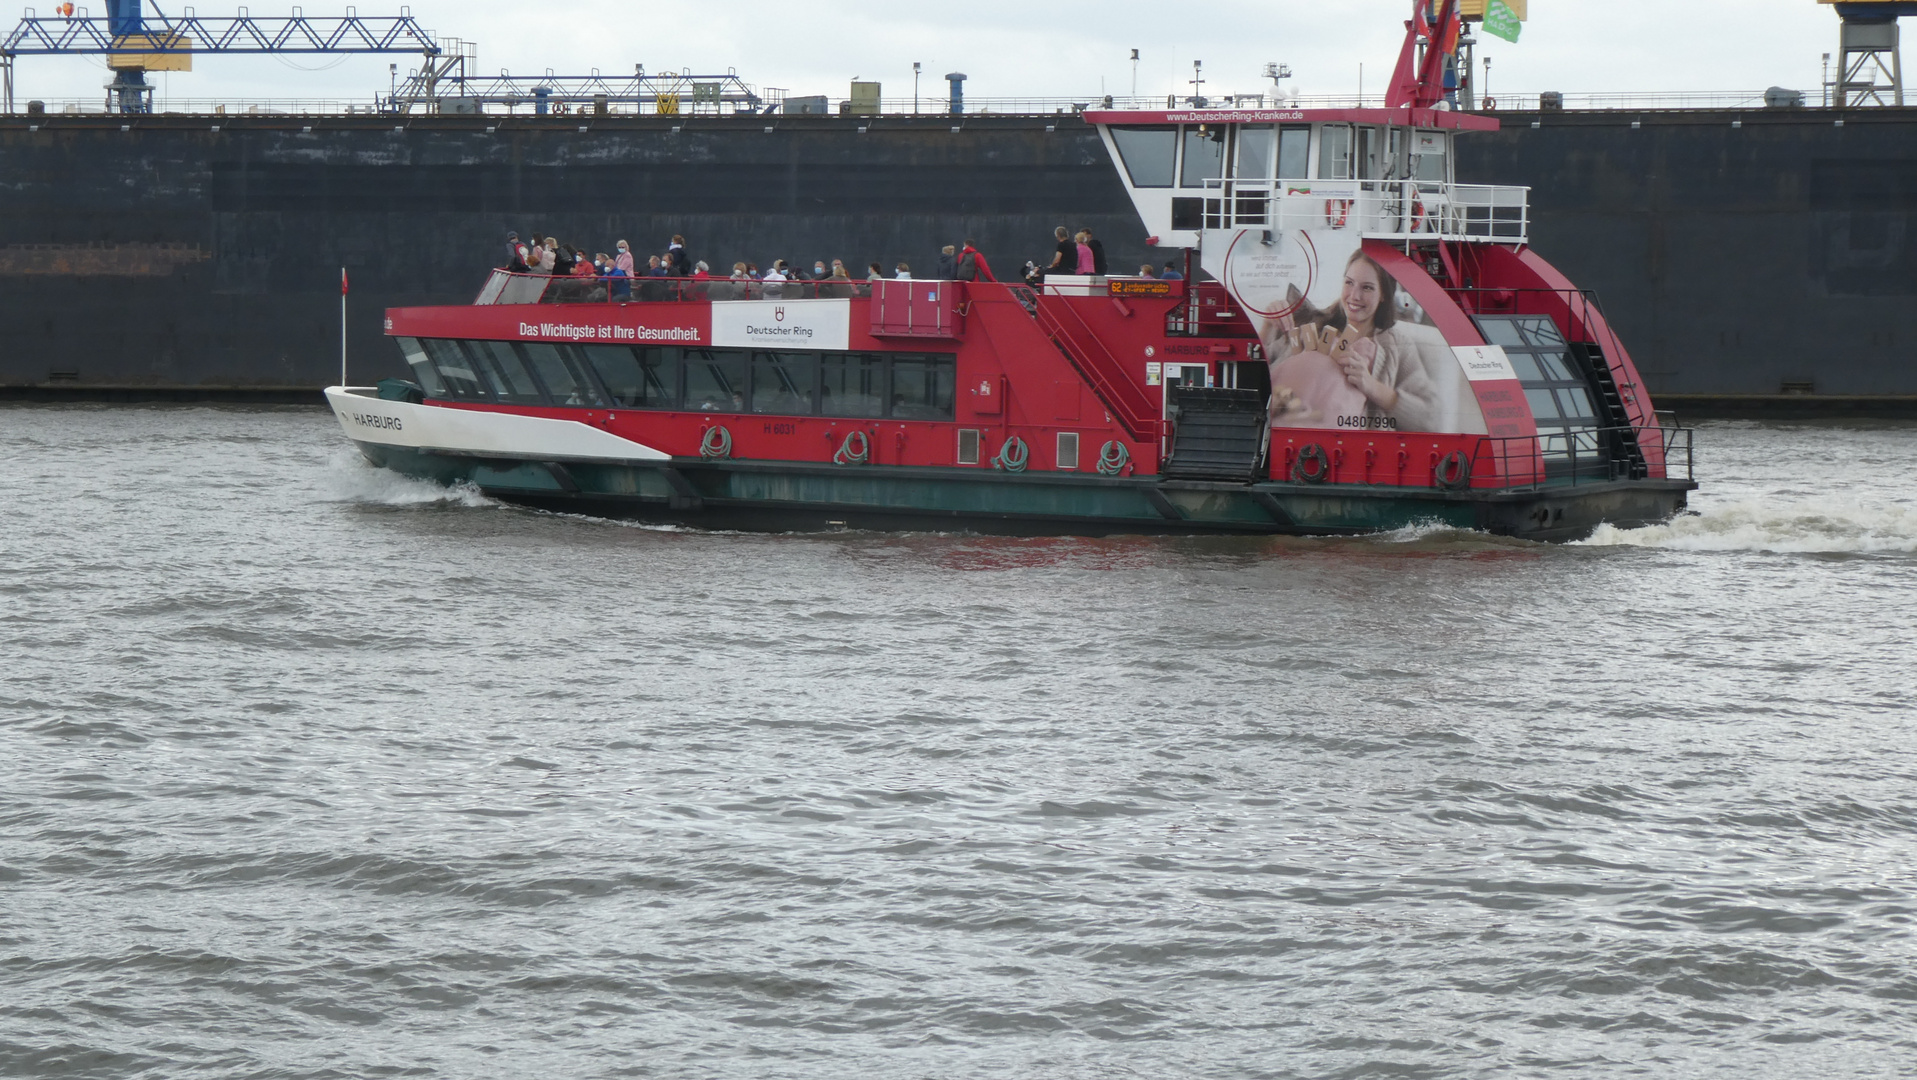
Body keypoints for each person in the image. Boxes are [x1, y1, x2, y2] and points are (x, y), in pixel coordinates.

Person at [1258, 248, 1438, 432]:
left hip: (1343, 445)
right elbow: (1256, 374)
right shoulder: (1314, 323)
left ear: (1384, 294)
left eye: (1367, 287)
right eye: (1349, 283)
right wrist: (1267, 324)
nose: (1354, 296)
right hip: (1283, 430)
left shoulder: (1396, 346)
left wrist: (1371, 385)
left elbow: (1431, 419)